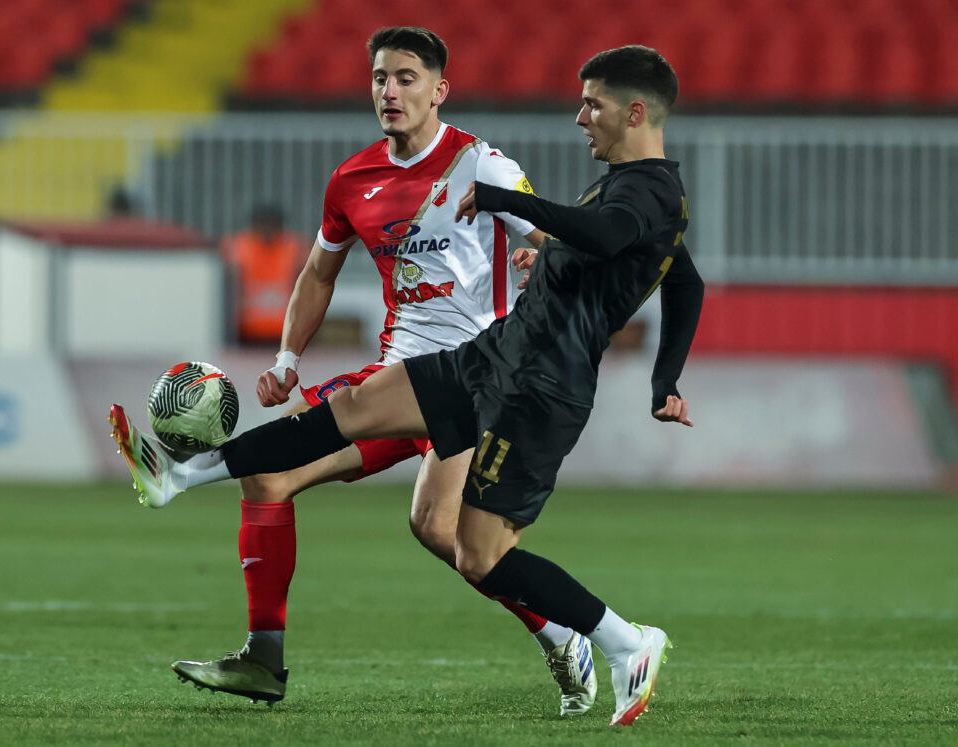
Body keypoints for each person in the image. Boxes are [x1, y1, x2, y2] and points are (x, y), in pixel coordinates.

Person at [112, 43, 703, 726]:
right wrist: (666, 376)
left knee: (472, 549)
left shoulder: (604, 184)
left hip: (533, 382)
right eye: (379, 78)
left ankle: (615, 638)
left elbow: (606, 237)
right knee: (353, 416)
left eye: (591, 104)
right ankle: (181, 481)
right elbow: (675, 272)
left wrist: (520, 215)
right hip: (493, 358)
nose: (579, 117)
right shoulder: (625, 185)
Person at [221, 203, 309, 345]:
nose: (267, 230)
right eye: (262, 224)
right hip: (248, 330)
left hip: (286, 332)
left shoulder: (296, 246)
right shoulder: (239, 246)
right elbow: (230, 288)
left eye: (272, 225)